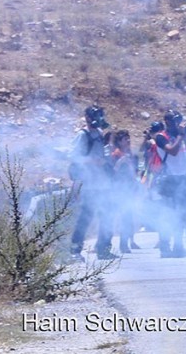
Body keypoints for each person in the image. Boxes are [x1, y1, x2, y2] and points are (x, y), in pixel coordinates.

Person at [69, 105, 115, 260]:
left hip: (102, 183)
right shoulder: (83, 135)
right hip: (89, 184)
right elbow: (73, 156)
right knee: (86, 217)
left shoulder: (100, 133)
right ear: (87, 118)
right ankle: (75, 250)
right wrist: (91, 161)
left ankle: (103, 248)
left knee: (107, 215)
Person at [154, 110, 186, 258]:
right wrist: (181, 136)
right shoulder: (160, 137)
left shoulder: (178, 136)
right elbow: (173, 151)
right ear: (168, 122)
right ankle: (164, 246)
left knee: (180, 215)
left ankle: (178, 247)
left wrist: (185, 135)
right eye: (176, 121)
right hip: (169, 179)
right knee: (168, 215)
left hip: (181, 178)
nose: (179, 124)